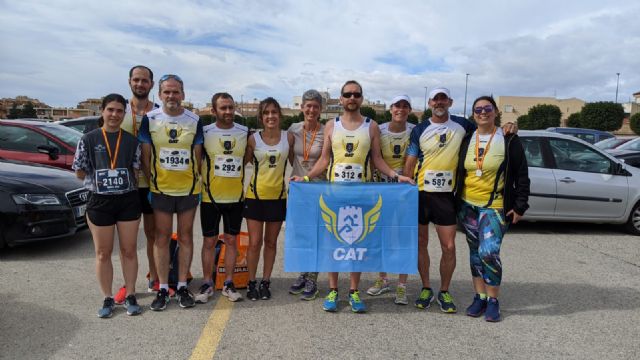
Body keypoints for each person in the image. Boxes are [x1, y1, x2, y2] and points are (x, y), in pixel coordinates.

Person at [292, 80, 414, 313]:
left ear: (361, 99)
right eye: (347, 94)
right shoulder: (331, 125)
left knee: (356, 243)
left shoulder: (371, 126)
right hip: (335, 193)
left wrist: (396, 176)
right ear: (341, 99)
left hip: (361, 193)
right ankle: (334, 290)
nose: (352, 98)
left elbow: (377, 160)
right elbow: (325, 160)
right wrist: (306, 179)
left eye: (356, 94)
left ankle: (354, 291)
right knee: (334, 243)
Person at [405, 87, 516, 314]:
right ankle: (426, 287)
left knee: (449, 246)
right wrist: (404, 189)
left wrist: (511, 126)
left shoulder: (464, 125)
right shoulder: (419, 129)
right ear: (429, 103)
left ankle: (444, 291)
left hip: (447, 195)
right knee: (421, 244)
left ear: (450, 102)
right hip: (421, 194)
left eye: (443, 99)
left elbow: (488, 130)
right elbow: (410, 160)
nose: (439, 103)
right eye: (435, 99)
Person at [455, 96, 530, 322]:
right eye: (478, 109)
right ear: (473, 114)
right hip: (468, 205)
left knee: (489, 253)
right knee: (475, 253)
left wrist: (520, 206)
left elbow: (522, 175)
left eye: (487, 108)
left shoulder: (508, 138)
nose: (483, 112)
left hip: (494, 206)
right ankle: (479, 297)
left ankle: (493, 300)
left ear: (496, 111)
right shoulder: (467, 138)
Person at [72, 93, 142, 318]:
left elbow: (135, 170)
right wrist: (100, 179)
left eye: (119, 111)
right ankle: (108, 297)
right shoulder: (89, 139)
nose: (114, 114)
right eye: (110, 110)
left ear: (124, 114)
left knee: (129, 250)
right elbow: (79, 172)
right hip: (100, 201)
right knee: (103, 252)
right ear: (102, 111)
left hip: (127, 200)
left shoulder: (132, 141)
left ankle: (130, 294)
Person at [139, 74, 204, 311]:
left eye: (176, 92)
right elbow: (146, 157)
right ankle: (164, 287)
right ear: (160, 94)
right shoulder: (150, 119)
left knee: (186, 236)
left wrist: (197, 184)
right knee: (162, 238)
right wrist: (153, 183)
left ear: (183, 95)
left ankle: (183, 285)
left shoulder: (194, 120)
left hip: (187, 190)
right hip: (161, 190)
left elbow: (198, 156)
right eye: (167, 92)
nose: (171, 96)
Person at [113, 65, 165, 305]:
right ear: (129, 81)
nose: (140, 84)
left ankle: (155, 279)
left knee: (154, 234)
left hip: (153, 182)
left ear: (152, 85)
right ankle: (129, 284)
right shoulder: (119, 112)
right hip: (126, 184)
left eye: (145, 81)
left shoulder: (159, 113)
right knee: (128, 241)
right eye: (136, 80)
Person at [196, 92, 247, 303]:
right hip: (210, 198)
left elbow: (246, 160)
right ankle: (208, 282)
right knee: (209, 241)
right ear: (213, 110)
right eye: (223, 108)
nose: (228, 112)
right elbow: (197, 161)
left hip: (235, 198)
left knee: (232, 241)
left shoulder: (244, 131)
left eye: (230, 107)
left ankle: (228, 283)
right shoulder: (205, 132)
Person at [366, 95, 415, 305]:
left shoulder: (415, 130)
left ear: (409, 109)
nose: (401, 110)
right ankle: (383, 279)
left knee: (403, 237)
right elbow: (372, 158)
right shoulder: (379, 128)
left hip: (405, 193)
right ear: (391, 108)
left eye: (405, 106)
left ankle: (402, 286)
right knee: (381, 237)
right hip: (381, 190)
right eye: (397, 106)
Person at [243, 97, 294, 301]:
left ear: (279, 115)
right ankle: (251, 282)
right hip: (255, 197)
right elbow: (242, 164)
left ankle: (266, 281)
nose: (270, 116)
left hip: (278, 197)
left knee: (271, 242)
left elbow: (296, 165)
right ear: (261, 117)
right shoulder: (253, 139)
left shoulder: (288, 138)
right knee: (255, 243)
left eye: (274, 112)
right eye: (266, 113)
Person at [287, 89, 326, 301]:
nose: (311, 110)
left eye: (316, 106)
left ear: (321, 110)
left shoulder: (327, 130)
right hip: (298, 189)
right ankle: (303, 272)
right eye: (308, 106)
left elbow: (325, 159)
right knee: (302, 234)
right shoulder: (293, 129)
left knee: (316, 235)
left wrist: (308, 177)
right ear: (302, 107)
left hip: (317, 188)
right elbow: (289, 155)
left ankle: (313, 277)